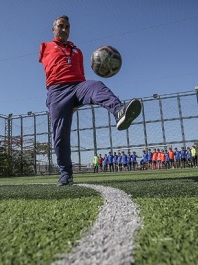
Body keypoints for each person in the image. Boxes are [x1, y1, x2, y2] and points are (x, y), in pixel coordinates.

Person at [40, 15, 142, 186]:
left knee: (95, 85)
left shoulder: (78, 52)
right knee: (60, 136)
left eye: (67, 27)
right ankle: (66, 174)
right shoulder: (45, 47)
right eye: (60, 26)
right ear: (53, 29)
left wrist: (77, 101)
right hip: (56, 91)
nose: (64, 29)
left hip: (77, 87)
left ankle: (119, 111)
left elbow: (81, 75)